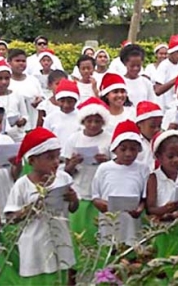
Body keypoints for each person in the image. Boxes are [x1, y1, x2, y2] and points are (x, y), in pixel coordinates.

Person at [5, 127, 78, 285]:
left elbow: (72, 208)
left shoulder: (64, 178)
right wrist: (31, 208)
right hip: (35, 245)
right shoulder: (23, 185)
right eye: (50, 157)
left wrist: (73, 199)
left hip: (60, 239)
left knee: (62, 276)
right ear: (32, 161)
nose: (56, 162)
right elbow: (10, 217)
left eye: (57, 157)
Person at [61, 97, 111, 249]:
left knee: (100, 234)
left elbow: (116, 166)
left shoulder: (109, 139)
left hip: (102, 193)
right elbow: (65, 171)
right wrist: (73, 163)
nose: (93, 125)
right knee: (79, 234)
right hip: (80, 191)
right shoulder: (74, 139)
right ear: (83, 121)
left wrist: (105, 161)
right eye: (89, 121)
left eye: (97, 121)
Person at [91, 120, 149, 245]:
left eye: (133, 149)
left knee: (133, 252)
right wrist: (104, 205)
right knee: (111, 251)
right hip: (110, 221)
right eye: (123, 149)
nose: (128, 154)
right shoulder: (104, 168)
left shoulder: (142, 168)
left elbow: (144, 197)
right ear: (114, 149)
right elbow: (95, 197)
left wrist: (139, 209)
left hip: (132, 223)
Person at [145, 130, 178, 278]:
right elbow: (150, 208)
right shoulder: (154, 178)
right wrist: (165, 210)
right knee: (162, 268)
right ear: (159, 157)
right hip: (161, 231)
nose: (176, 160)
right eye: (170, 156)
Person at [0, 59, 29, 142]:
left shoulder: (17, 94)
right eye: (0, 78)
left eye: (7, 78)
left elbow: (25, 115)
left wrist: (22, 121)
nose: (4, 82)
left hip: (18, 137)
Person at [8, 49, 44, 131]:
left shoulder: (33, 80)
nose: (21, 63)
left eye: (23, 61)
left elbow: (41, 97)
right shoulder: (6, 82)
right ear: (9, 62)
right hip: (14, 129)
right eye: (17, 61)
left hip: (33, 125)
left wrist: (39, 100)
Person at [154, 35, 178, 111]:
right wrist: (176, 79)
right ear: (171, 52)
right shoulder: (163, 66)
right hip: (166, 108)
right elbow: (158, 90)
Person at [134, 101, 164, 171]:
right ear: (139, 124)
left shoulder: (163, 140)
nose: (157, 129)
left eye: (159, 126)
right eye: (152, 126)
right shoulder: (134, 143)